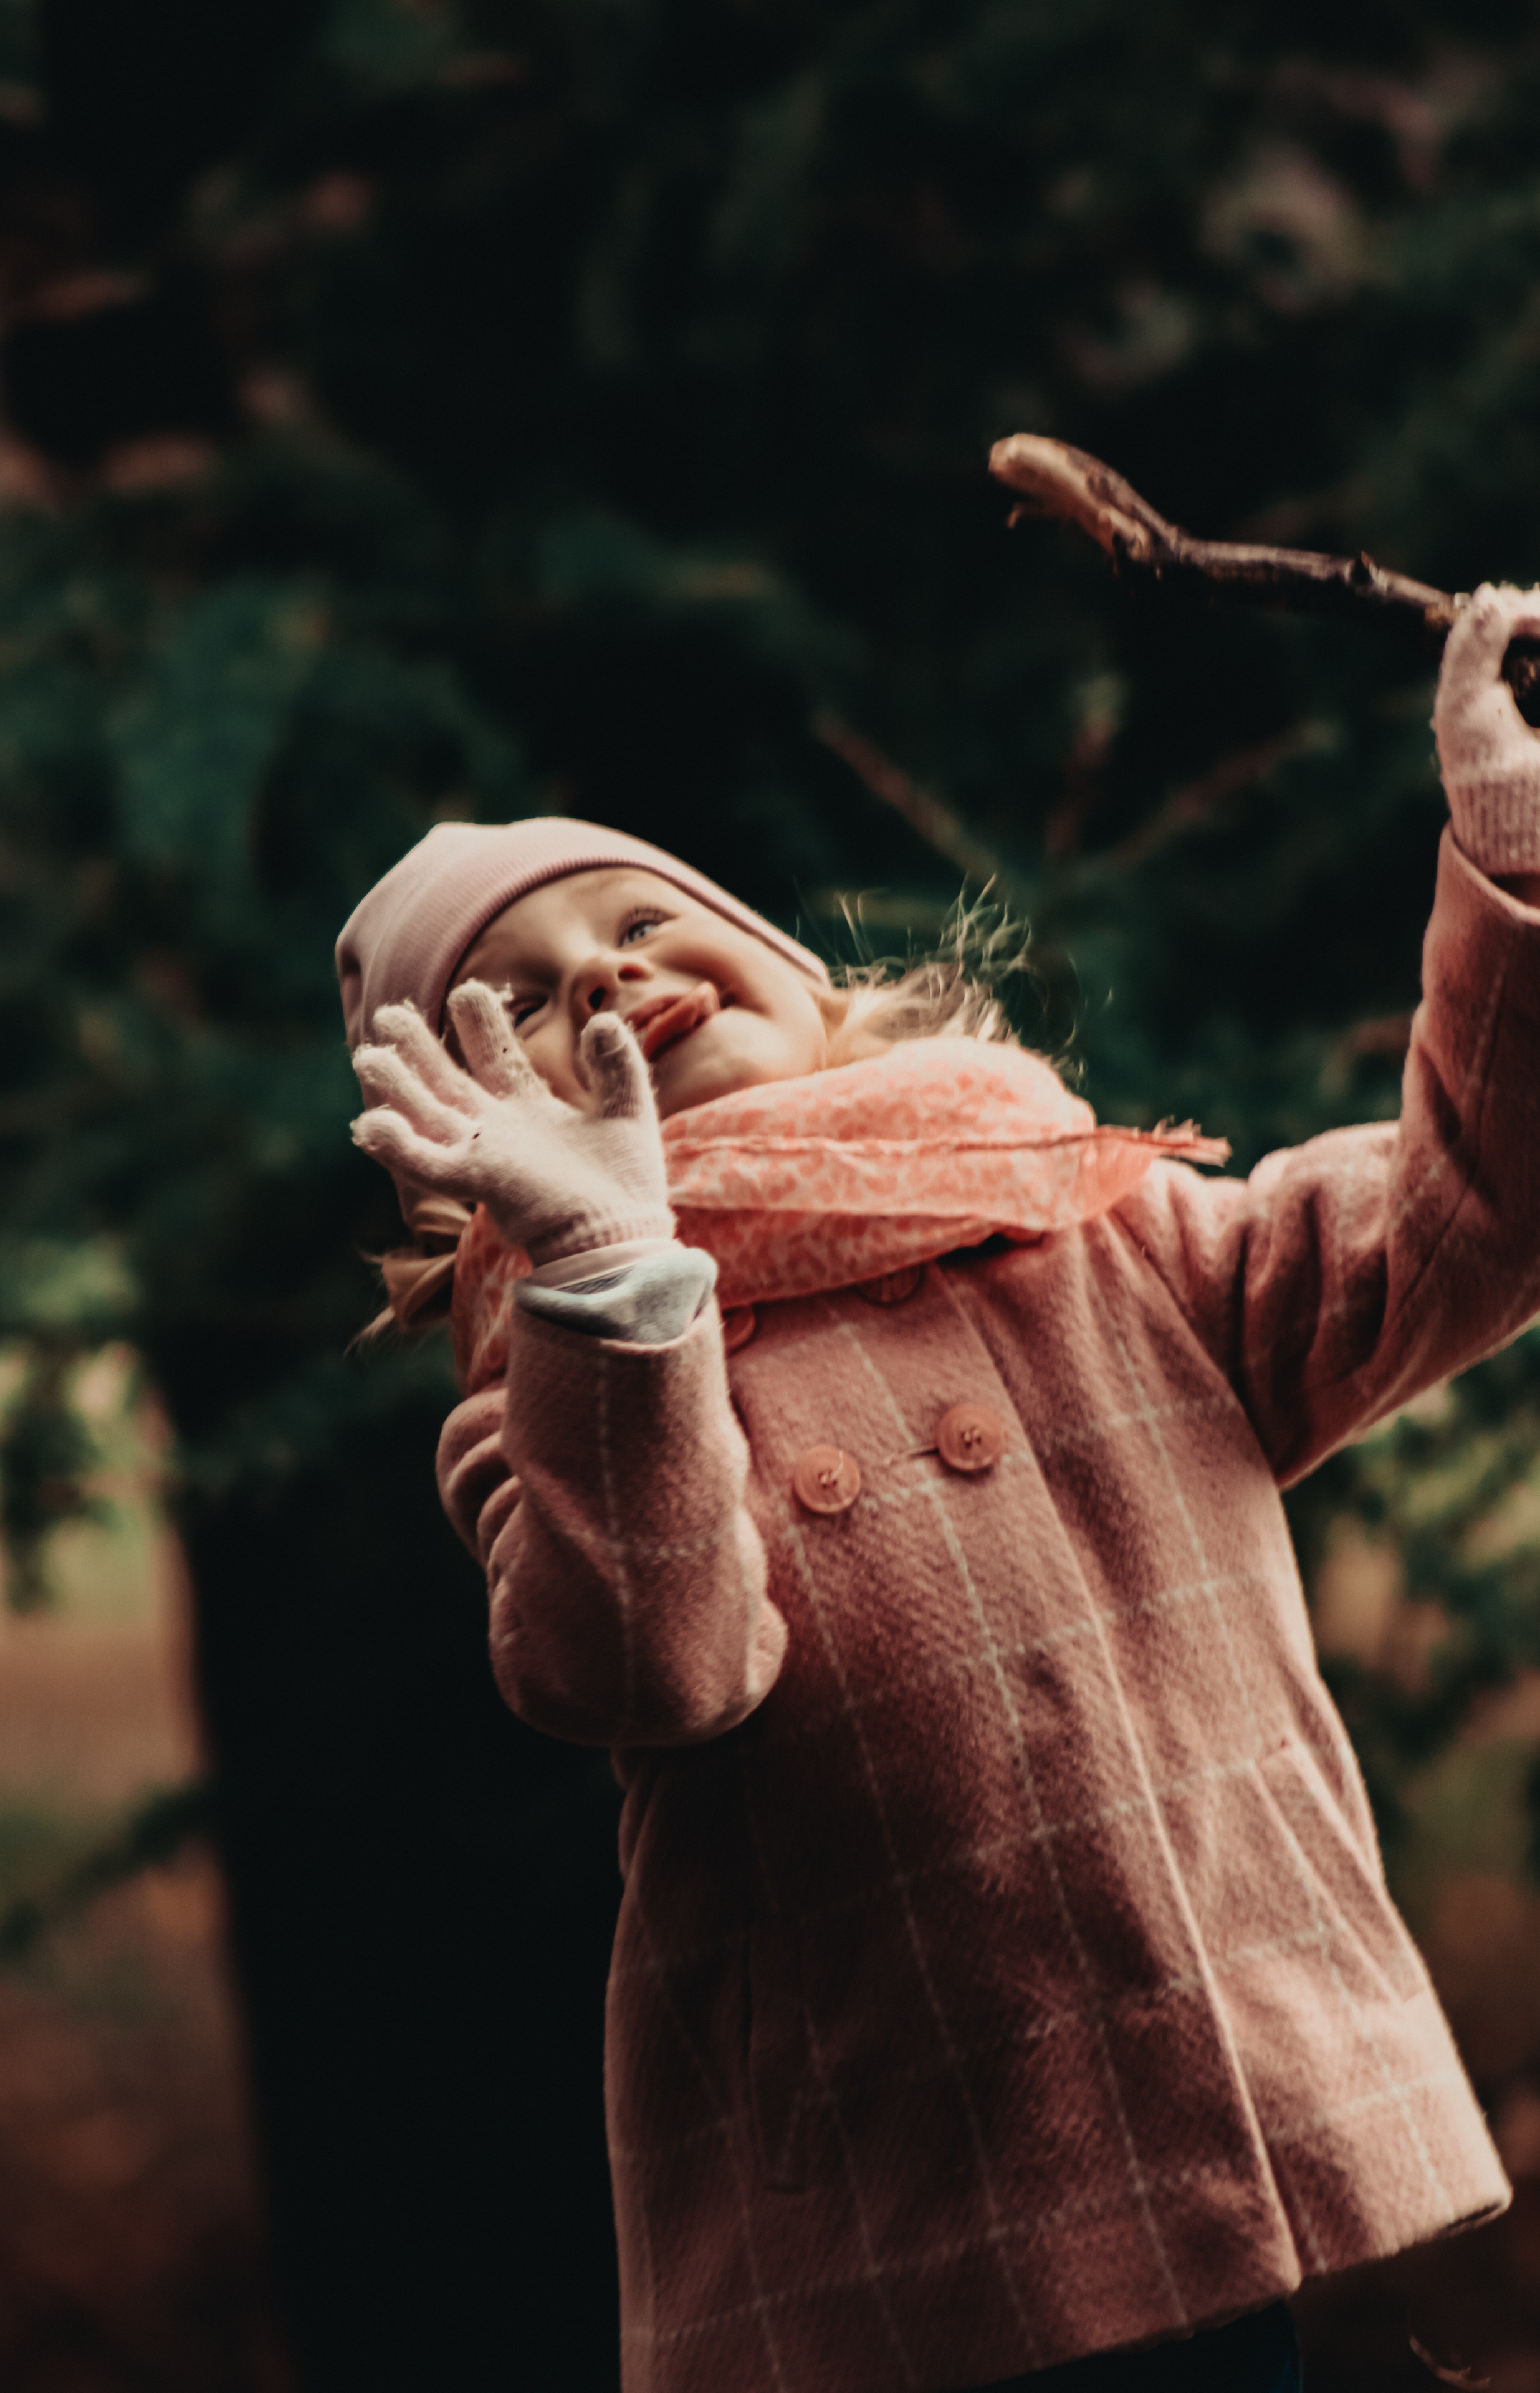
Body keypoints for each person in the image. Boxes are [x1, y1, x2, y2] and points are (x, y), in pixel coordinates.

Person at [334, 584, 1540, 2393]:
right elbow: (653, 1660)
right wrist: (606, 1268)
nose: (598, 975)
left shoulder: (1103, 1234)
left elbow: (1474, 1215)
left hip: (1243, 2127)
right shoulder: (562, 1390)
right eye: (511, 1001)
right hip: (914, 2237)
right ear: (474, 1158)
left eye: (642, 919)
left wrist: (1515, 861)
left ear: (808, 987)